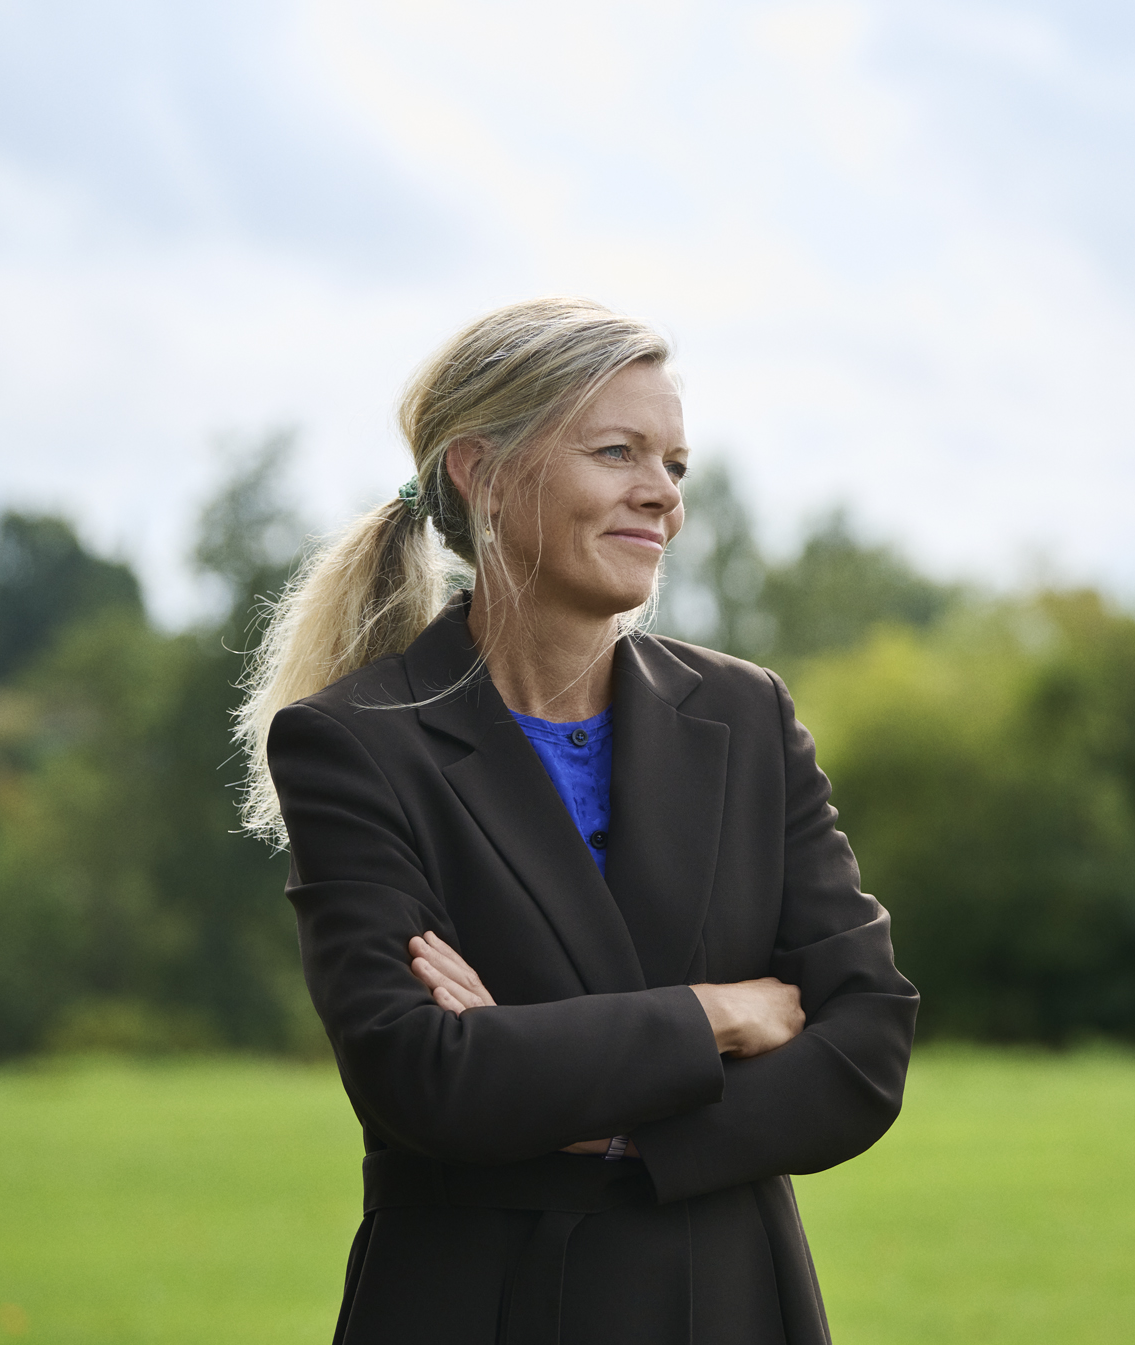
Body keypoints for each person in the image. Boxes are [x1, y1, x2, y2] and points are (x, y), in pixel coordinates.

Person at [234, 297, 919, 1345]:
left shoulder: (745, 712)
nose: (662, 495)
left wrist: (585, 1110)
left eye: (676, 465)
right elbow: (423, 1078)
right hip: (478, 1307)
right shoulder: (354, 742)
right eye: (618, 452)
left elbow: (863, 1043)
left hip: (727, 1304)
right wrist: (717, 1017)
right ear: (483, 471)